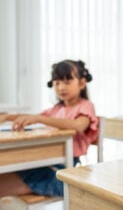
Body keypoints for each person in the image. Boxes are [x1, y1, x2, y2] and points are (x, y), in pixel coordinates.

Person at [0, 60, 98, 197]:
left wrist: (39, 119)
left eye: (67, 82)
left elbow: (78, 125)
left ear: (82, 83)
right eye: (57, 83)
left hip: (62, 173)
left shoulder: (85, 106)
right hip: (45, 162)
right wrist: (7, 117)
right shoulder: (57, 109)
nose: (61, 87)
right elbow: (33, 117)